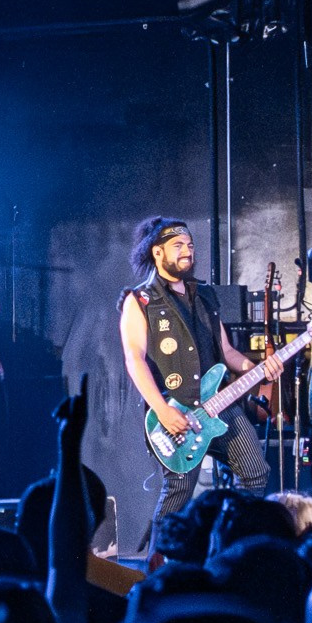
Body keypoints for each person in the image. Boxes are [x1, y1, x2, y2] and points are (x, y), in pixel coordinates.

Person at [118, 215, 276, 527]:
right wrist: (162, 410)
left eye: (190, 245)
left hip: (220, 405)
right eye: (178, 245)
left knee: (256, 475)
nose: (188, 251)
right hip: (176, 412)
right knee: (178, 492)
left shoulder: (205, 294)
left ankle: (227, 545)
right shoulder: (140, 300)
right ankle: (159, 565)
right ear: (157, 252)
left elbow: (227, 352)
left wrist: (257, 369)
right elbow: (133, 359)